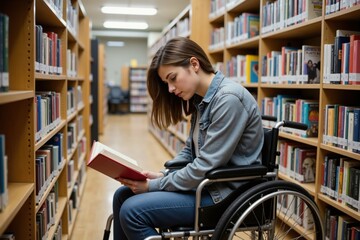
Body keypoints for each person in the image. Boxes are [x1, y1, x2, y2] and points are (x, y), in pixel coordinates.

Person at [112, 37, 264, 239]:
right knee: (122, 196)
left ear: (194, 64)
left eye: (173, 78)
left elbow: (205, 166)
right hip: (207, 185)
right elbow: (190, 149)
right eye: (167, 82)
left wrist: (153, 186)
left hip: (225, 193)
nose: (171, 89)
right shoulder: (201, 99)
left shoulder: (228, 99)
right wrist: (162, 175)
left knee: (132, 212)